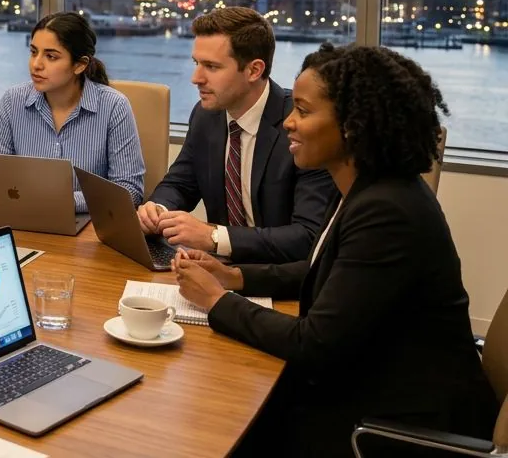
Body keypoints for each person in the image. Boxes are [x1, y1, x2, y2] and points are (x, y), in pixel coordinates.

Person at [172, 44, 497, 457]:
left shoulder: (387, 211)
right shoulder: (361, 186)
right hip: (366, 385)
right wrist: (234, 276)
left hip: (393, 422)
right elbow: (321, 268)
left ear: (354, 126)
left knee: (212, 427)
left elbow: (314, 345)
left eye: (304, 112)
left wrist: (216, 300)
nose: (288, 121)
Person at [136, 8, 336, 263]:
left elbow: (309, 237)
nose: (196, 78)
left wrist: (214, 237)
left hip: (282, 280)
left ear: (254, 70)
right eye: (197, 63)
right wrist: (157, 211)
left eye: (211, 67)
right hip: (216, 271)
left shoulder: (301, 127)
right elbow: (180, 183)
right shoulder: (206, 115)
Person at [0, 12, 144, 213]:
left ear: (80, 65)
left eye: (51, 56)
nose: (36, 64)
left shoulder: (114, 106)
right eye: (34, 52)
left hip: (88, 227)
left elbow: (129, 190)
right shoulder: (13, 100)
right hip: (25, 219)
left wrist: (65, 201)